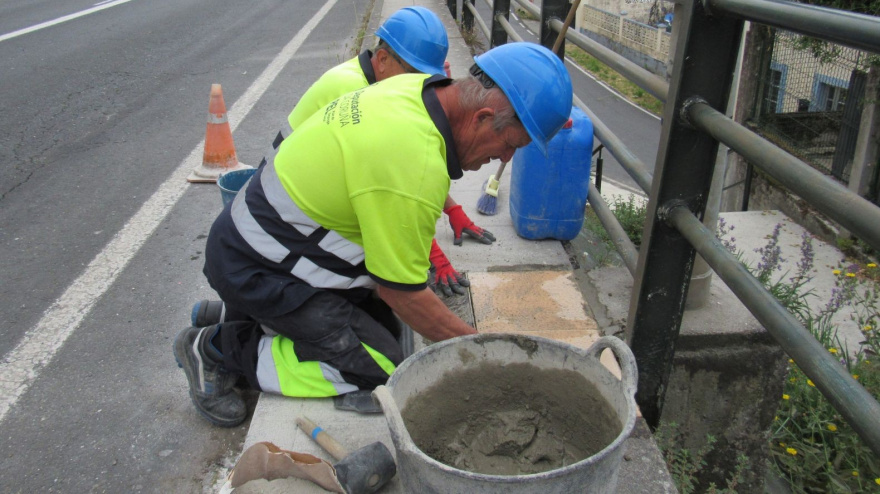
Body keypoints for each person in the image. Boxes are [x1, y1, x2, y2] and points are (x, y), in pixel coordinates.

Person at [173, 42, 573, 427]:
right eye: (510, 144)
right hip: (259, 267)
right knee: (382, 368)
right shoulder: (412, 163)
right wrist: (482, 352)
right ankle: (215, 351)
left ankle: (239, 313)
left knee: (389, 331)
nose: (504, 159)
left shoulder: (417, 89)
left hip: (256, 244)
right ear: (483, 117)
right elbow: (402, 292)